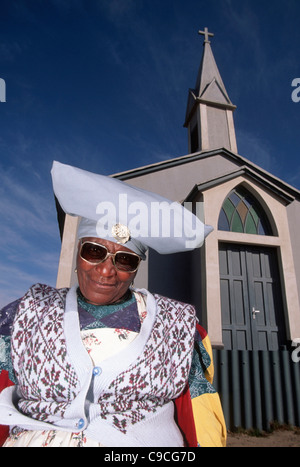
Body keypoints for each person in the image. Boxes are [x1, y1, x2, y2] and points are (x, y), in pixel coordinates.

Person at [0, 161, 226, 447]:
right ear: (78, 253)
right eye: (94, 251)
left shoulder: (177, 324)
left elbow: (197, 414)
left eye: (125, 259)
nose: (106, 271)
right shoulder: (27, 313)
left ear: (135, 269)